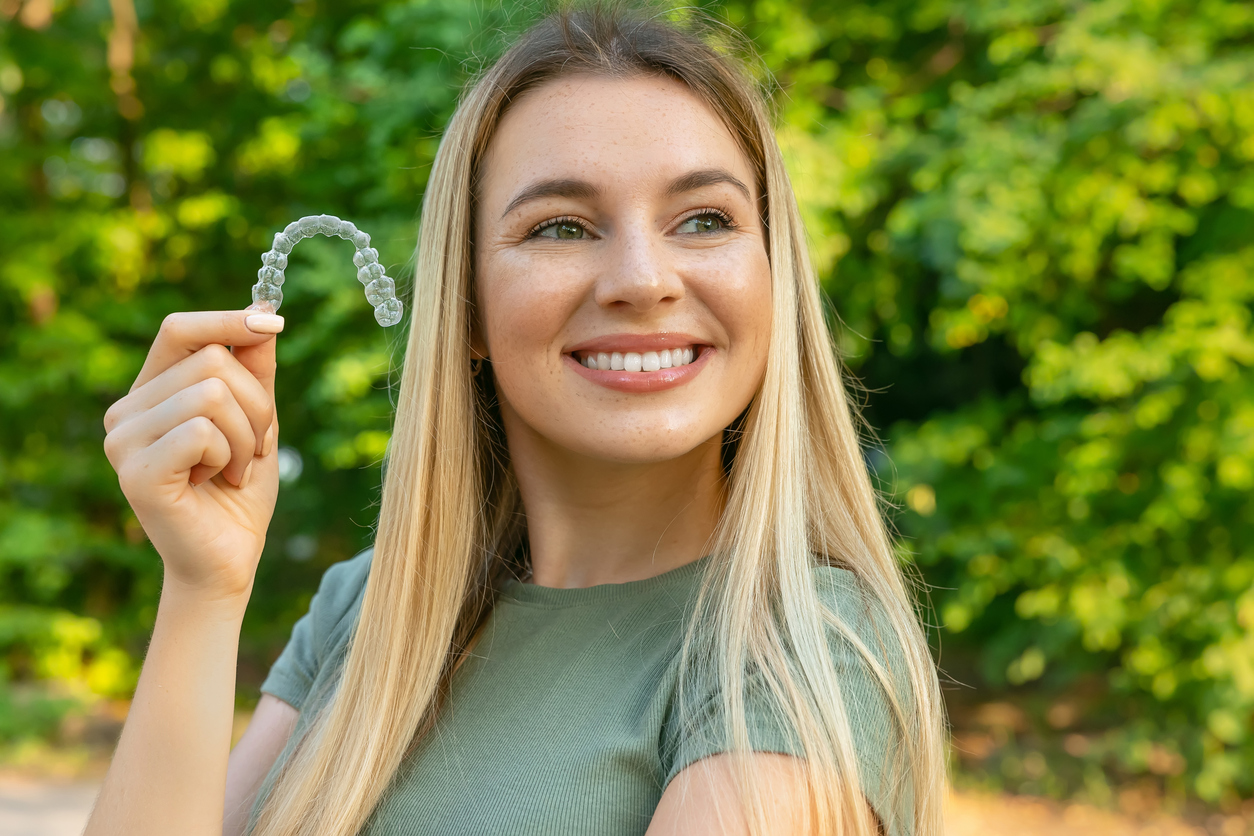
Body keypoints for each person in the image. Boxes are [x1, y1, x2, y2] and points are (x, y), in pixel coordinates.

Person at [87, 6, 948, 835]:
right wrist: (203, 590)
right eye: (562, 227)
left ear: (771, 276)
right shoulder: (365, 606)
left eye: (704, 219)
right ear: (464, 309)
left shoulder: (802, 650)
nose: (643, 279)